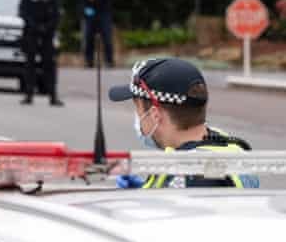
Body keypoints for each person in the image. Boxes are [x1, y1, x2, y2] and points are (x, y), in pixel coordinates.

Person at [109, 57, 258, 189]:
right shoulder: (224, 143)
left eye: (138, 110)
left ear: (154, 115)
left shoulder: (192, 177)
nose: (137, 118)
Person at [18, 0, 62, 106]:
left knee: (49, 66)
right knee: (29, 65)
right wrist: (34, 27)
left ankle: (53, 96)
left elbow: (56, 15)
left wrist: (47, 27)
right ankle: (28, 94)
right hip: (31, 34)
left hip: (47, 35)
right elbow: (23, 13)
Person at [82, 0, 114, 68]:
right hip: (90, 15)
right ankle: (89, 61)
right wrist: (85, 9)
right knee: (88, 38)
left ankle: (109, 61)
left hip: (104, 14)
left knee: (107, 38)